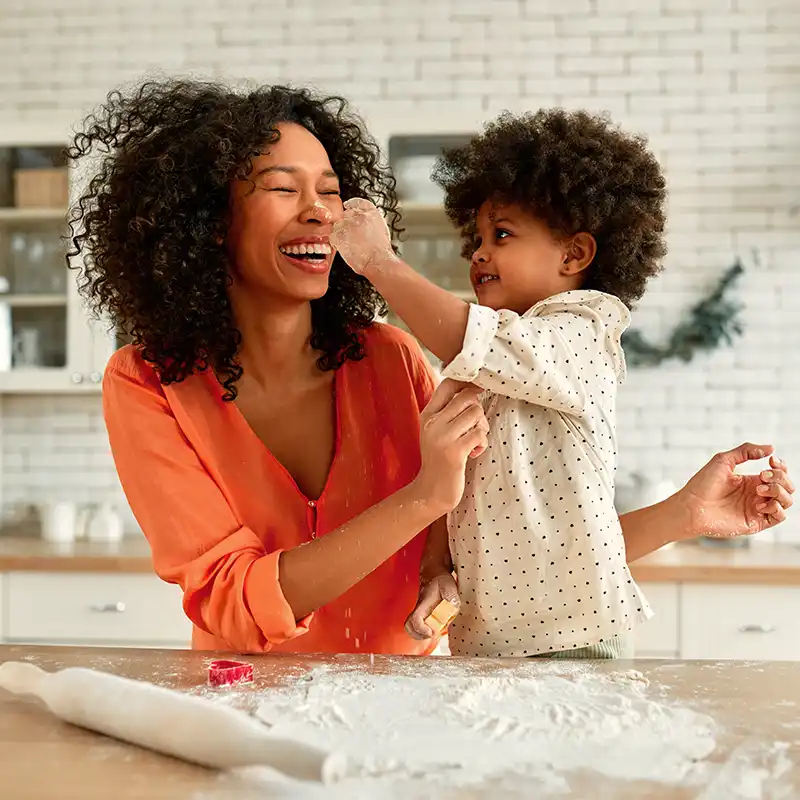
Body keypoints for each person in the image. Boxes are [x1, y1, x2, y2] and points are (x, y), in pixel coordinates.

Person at [66, 80, 794, 655]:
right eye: (285, 189)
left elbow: (526, 552)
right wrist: (423, 497)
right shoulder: (148, 383)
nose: (321, 212)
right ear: (205, 219)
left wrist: (682, 515)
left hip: (407, 712)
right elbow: (232, 599)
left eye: (330, 191)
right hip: (241, 712)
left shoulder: (391, 361)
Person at [331, 109, 789, 660]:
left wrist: (378, 262)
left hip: (576, 641)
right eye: (475, 238)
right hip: (486, 644)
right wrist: (438, 570)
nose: (478, 253)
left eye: (501, 234)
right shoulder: (482, 371)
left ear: (574, 254)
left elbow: (469, 336)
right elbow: (453, 492)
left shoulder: (582, 333)